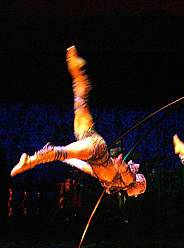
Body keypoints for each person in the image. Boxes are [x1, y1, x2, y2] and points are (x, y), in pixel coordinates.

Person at [10, 46, 147, 197]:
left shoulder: (108, 181)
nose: (136, 195)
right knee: (60, 151)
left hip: (89, 141)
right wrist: (122, 166)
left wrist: (67, 160)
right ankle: (30, 160)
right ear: (140, 183)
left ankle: (78, 75)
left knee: (80, 102)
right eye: (139, 192)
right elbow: (127, 175)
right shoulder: (129, 181)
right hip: (96, 149)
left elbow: (85, 167)